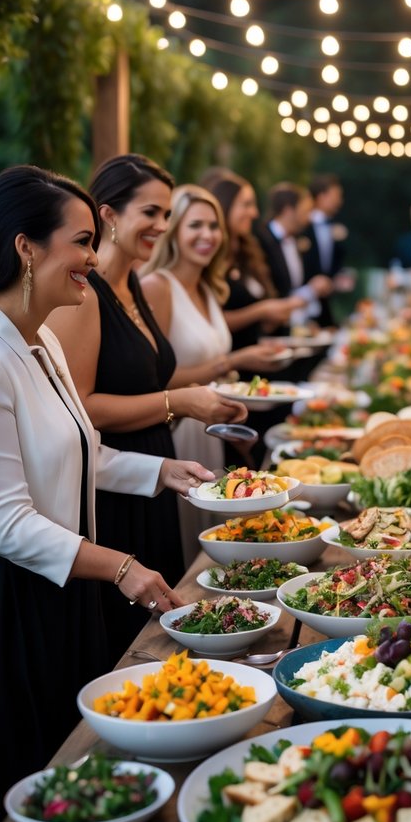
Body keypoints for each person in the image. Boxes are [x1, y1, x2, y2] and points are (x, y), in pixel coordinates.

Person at [0, 165, 214, 802]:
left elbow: (86, 451)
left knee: (83, 763)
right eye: (82, 241)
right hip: (21, 602)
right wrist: (121, 566)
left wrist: (163, 471)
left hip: (68, 590)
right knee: (41, 772)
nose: (93, 258)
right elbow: (8, 523)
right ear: (25, 247)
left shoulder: (42, 343)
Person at [47, 154, 246, 660]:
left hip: (153, 469)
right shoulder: (85, 295)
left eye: (166, 214)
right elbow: (81, 409)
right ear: (108, 215)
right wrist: (179, 402)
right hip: (113, 489)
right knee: (135, 644)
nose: (163, 225)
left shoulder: (131, 283)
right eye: (152, 213)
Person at [140, 184, 291, 560]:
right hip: (178, 430)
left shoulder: (209, 288)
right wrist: (236, 360)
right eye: (195, 225)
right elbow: (153, 378)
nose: (207, 235)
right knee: (190, 542)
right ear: (173, 231)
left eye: (213, 226)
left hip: (211, 428)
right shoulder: (157, 286)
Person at [200, 169, 305, 353]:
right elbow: (207, 321)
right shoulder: (207, 256)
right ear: (225, 205)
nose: (255, 213)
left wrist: (271, 320)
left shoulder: (247, 251)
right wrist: (262, 311)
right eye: (247, 205)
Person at [256, 182, 334, 321]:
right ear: (288, 210)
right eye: (305, 211)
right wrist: (310, 290)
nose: (309, 218)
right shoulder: (261, 241)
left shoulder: (297, 241)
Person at [302, 173, 353, 325]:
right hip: (304, 303)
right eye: (336, 195)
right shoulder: (302, 226)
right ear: (322, 196)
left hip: (328, 301)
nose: (340, 201)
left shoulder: (335, 226)